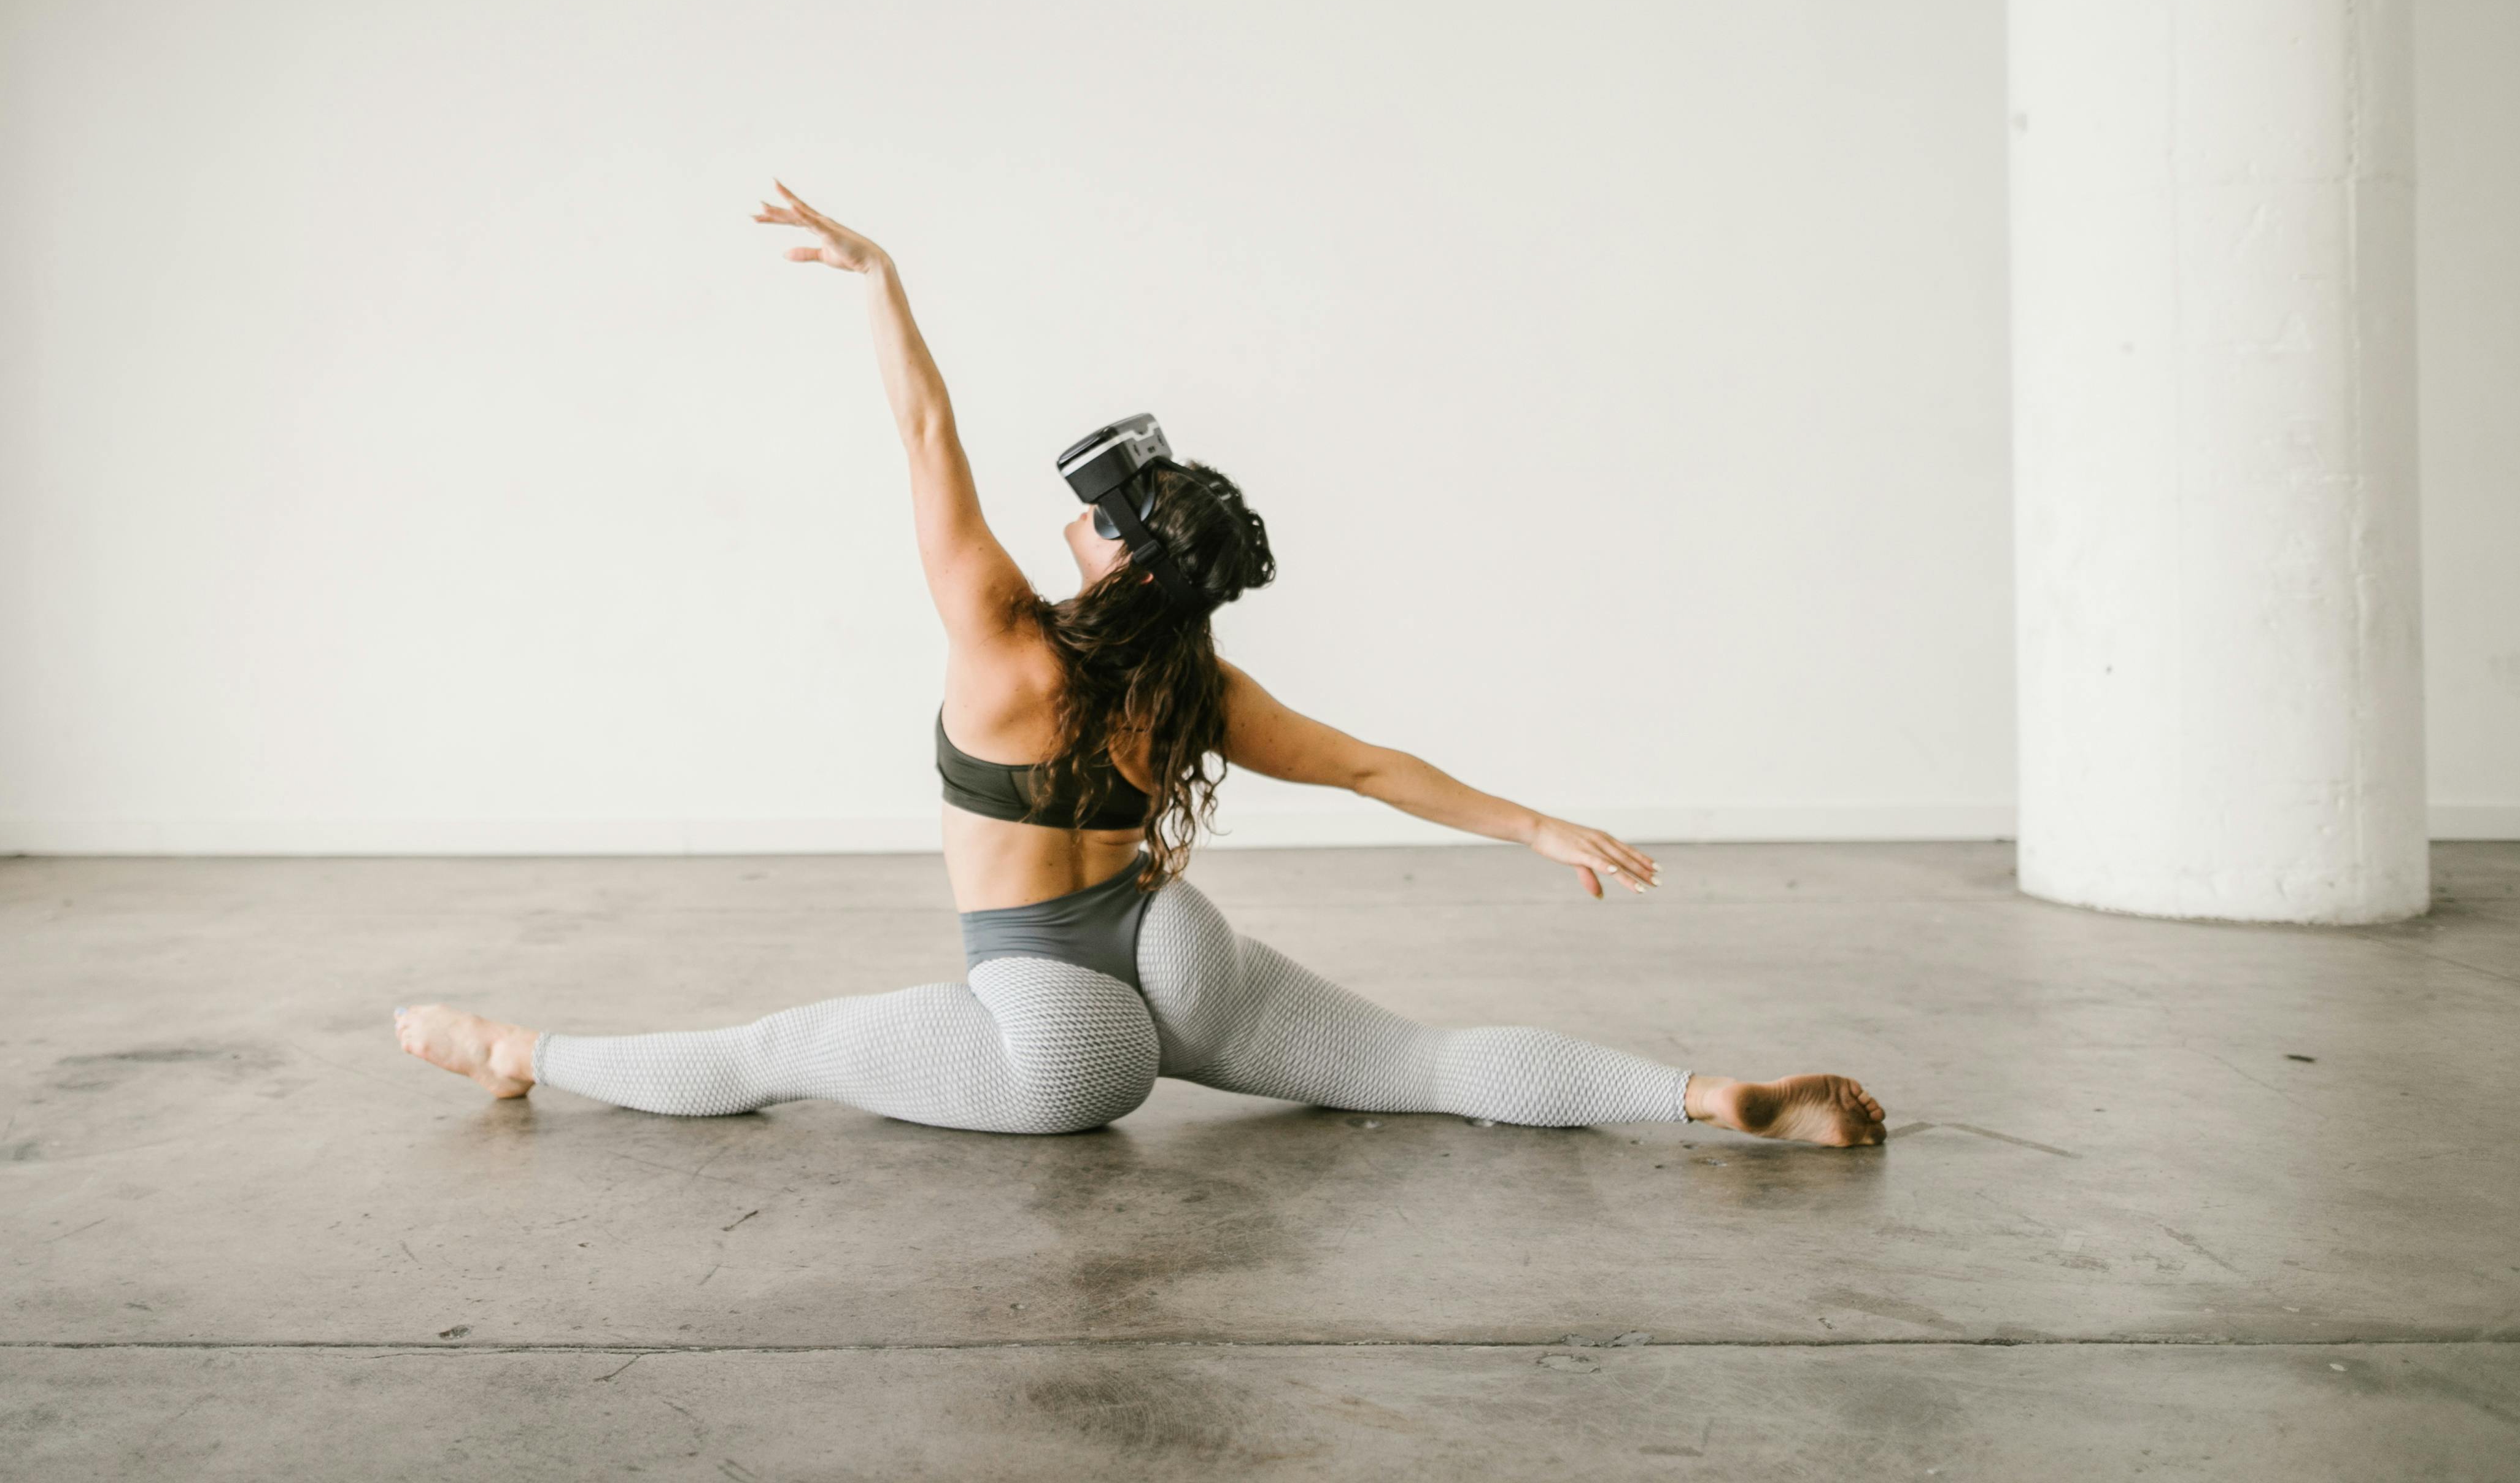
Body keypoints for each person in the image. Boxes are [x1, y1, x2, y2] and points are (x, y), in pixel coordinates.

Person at [396, 185, 1884, 1148]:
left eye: (1095, 517)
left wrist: (880, 278)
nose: (1074, 521)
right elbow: (1375, 768)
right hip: (1174, 945)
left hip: (1058, 1031)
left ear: (1112, 552)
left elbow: (926, 438)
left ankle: (517, 1050)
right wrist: (1537, 825)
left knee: (769, 1052)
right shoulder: (1201, 694)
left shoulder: (999, 635)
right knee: (1415, 1064)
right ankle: (1694, 1096)